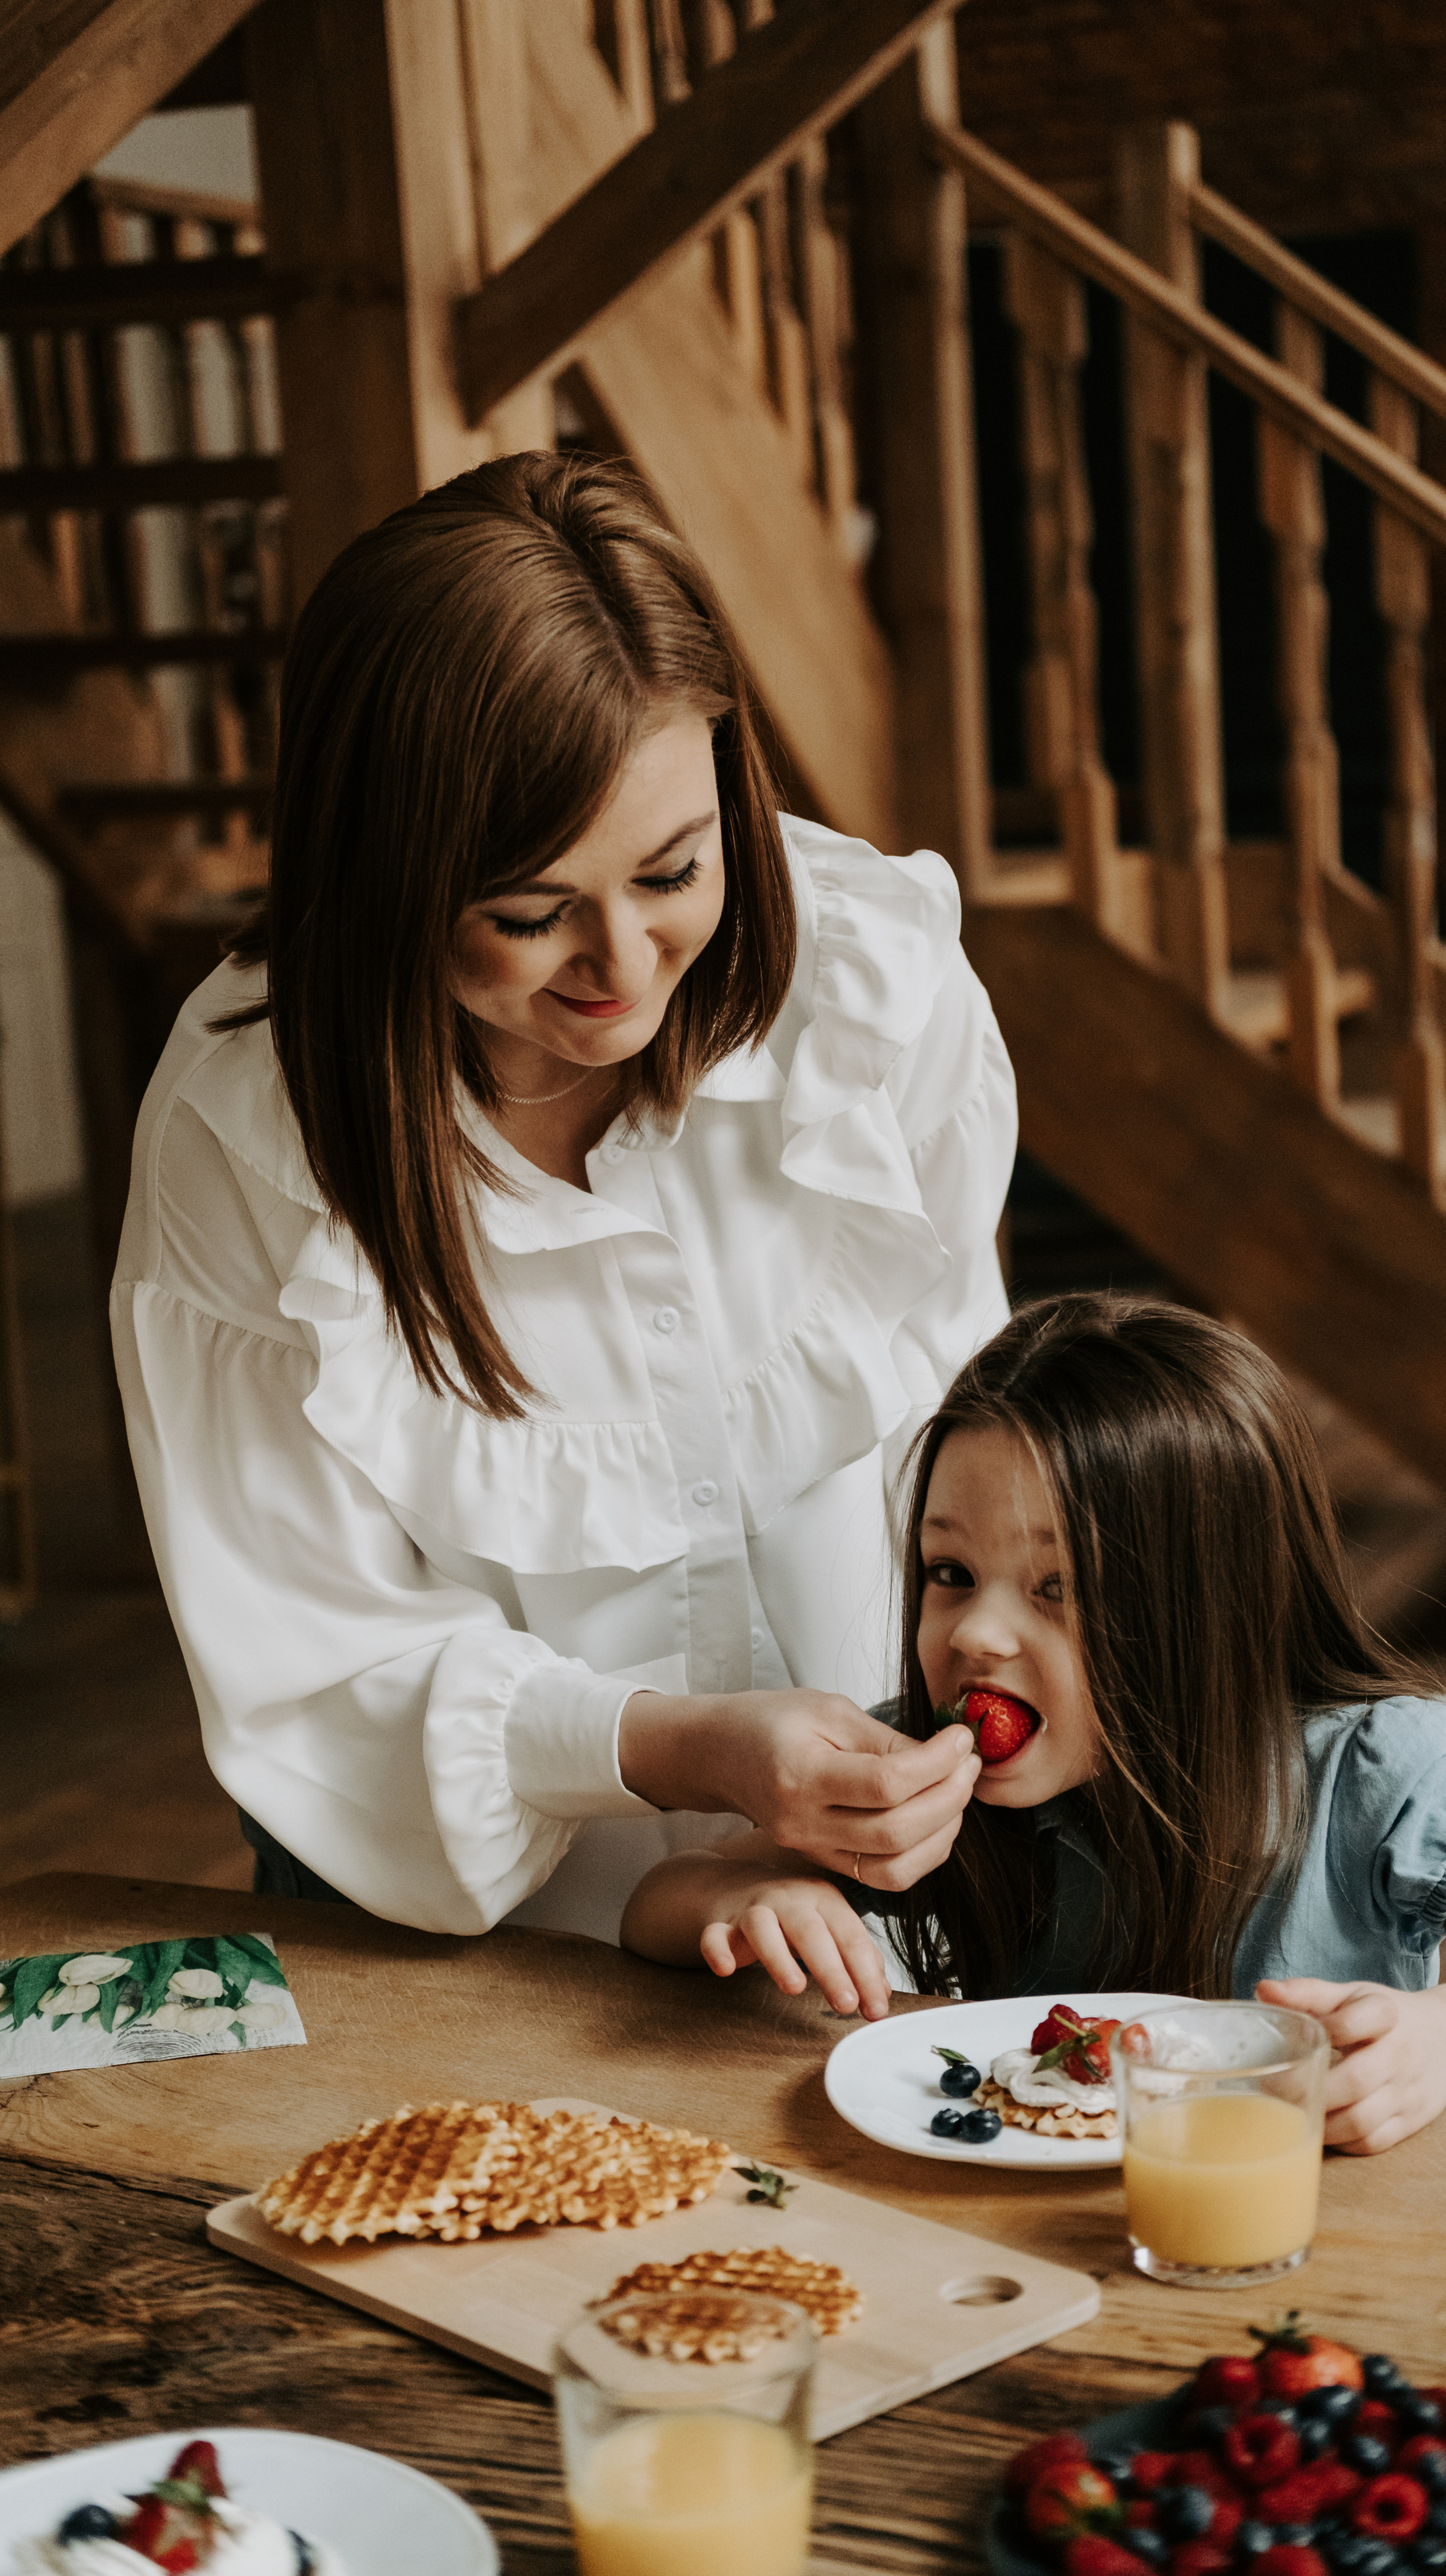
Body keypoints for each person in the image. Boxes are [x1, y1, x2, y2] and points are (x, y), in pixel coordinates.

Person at [112, 452, 1009, 1941]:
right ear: (384, 880)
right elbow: (318, 1664)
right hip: (485, 1951)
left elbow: (968, 1430)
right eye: (527, 913)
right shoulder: (249, 1138)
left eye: (672, 871)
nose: (617, 967)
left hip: (872, 1899)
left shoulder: (870, 987)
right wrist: (685, 1746)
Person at [621, 1296, 1446, 2151]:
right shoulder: (909, 1763)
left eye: (1059, 1588)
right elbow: (659, 1905)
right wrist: (758, 1892)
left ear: (1208, 1613)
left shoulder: (1366, 1770)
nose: (976, 1634)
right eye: (952, 1572)